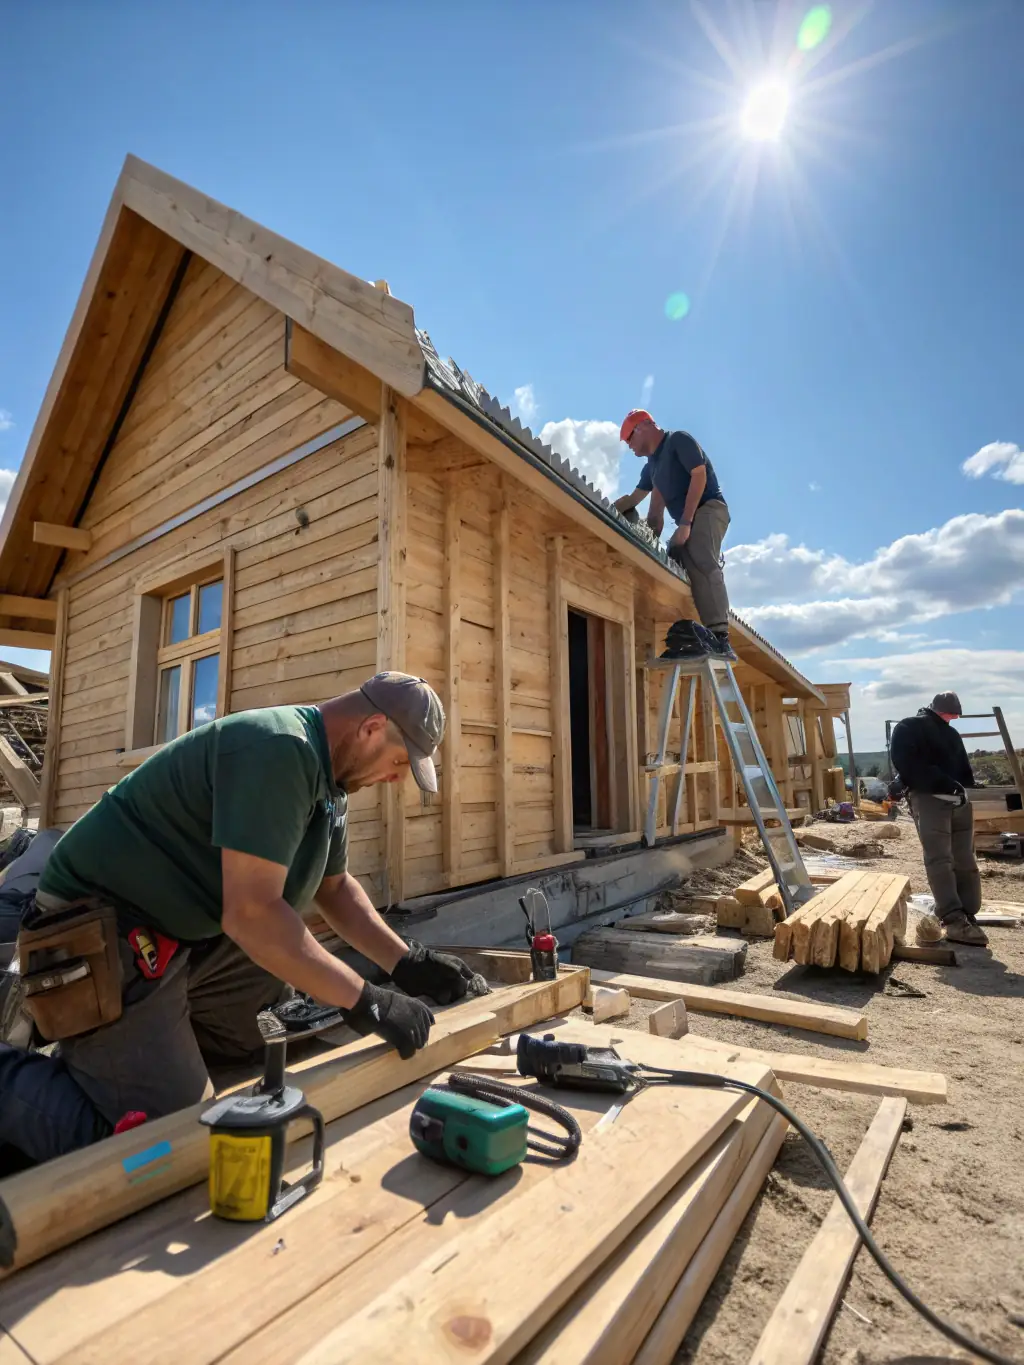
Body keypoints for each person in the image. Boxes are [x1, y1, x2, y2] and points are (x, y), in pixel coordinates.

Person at [0, 671, 480, 1165]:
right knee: (162, 1142)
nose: (397, 779)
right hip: (101, 931)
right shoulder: (278, 750)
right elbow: (253, 916)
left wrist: (407, 962)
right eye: (399, 762)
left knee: (264, 1033)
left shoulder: (332, 781)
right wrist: (368, 1000)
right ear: (372, 728)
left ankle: (140, 1052)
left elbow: (334, 888)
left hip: (184, 931)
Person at [613, 409, 733, 656]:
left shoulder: (678, 440)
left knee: (699, 552)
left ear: (643, 426)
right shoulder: (652, 468)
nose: (629, 446)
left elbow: (699, 475)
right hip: (687, 524)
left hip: (709, 509)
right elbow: (644, 506)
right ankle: (690, 636)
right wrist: (607, 510)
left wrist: (686, 523)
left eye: (629, 439)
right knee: (673, 562)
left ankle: (720, 637)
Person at [890, 691, 987, 946]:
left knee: (950, 858)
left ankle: (961, 916)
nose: (952, 719)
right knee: (952, 858)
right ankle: (957, 917)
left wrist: (958, 786)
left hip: (944, 799)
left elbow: (909, 764)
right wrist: (952, 785)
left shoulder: (916, 729)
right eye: (950, 714)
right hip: (942, 799)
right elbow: (912, 766)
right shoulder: (916, 728)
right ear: (941, 711)